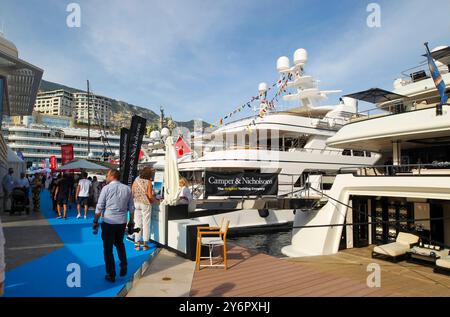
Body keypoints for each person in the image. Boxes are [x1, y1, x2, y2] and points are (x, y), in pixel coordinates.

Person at [93, 169, 135, 283]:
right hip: (122, 222)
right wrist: (131, 221)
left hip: (109, 221)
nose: (106, 177)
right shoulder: (127, 188)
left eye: (107, 175)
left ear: (111, 176)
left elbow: (99, 206)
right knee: (119, 244)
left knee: (108, 249)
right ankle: (124, 263)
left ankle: (111, 274)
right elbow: (131, 207)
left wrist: (95, 221)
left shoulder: (106, 188)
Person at [132, 167, 156, 251]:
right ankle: (145, 245)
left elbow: (132, 192)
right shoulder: (148, 182)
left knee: (137, 224)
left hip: (136, 203)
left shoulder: (136, 180)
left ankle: (137, 244)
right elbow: (150, 196)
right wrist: (155, 200)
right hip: (145, 204)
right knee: (146, 224)